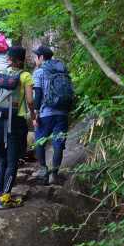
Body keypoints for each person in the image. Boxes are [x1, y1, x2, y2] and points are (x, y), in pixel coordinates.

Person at [0, 46, 36, 209]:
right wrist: (34, 116)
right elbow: (30, 100)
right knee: (12, 161)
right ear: (22, 59)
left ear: (9, 59)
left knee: (1, 159)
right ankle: (6, 198)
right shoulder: (25, 76)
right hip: (15, 121)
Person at [32, 46, 70, 185]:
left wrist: (35, 113)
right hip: (62, 112)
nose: (35, 59)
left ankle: (43, 169)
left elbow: (38, 93)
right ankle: (54, 174)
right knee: (58, 143)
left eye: (36, 57)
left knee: (40, 141)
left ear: (41, 57)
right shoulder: (62, 69)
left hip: (45, 113)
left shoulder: (39, 72)